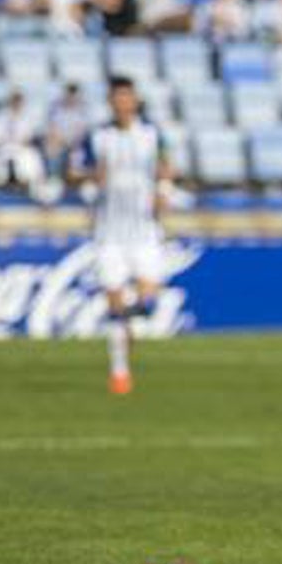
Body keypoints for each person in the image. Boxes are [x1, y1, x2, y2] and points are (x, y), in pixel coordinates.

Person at [73, 76, 172, 396]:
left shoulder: (151, 134)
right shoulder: (98, 136)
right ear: (110, 101)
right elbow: (74, 171)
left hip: (144, 229)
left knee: (149, 299)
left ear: (135, 99)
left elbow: (166, 166)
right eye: (117, 97)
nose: (122, 102)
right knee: (115, 300)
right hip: (109, 232)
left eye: (127, 96)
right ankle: (120, 372)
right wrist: (91, 176)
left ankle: (126, 316)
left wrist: (164, 192)